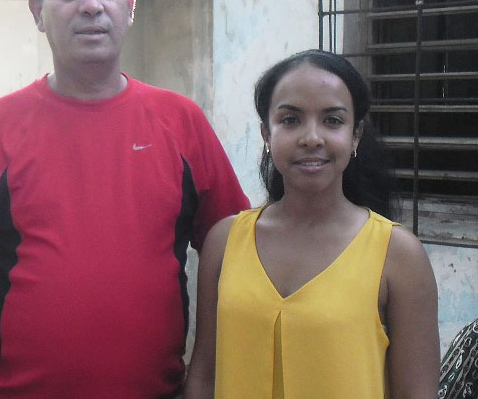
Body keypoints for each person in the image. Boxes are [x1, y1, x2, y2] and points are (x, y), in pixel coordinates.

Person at [0, 0, 249, 399]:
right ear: (37, 11)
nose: (91, 5)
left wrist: (203, 378)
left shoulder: (181, 123)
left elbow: (233, 251)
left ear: (130, 4)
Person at [184, 49, 440, 399]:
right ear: (266, 134)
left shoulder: (397, 255)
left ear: (356, 135)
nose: (312, 138)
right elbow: (203, 377)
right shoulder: (225, 242)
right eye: (291, 120)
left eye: (332, 121)